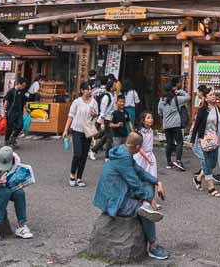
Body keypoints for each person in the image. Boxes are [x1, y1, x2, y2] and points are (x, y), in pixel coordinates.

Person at [93, 132, 169, 261]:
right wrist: (149, 198)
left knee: (148, 185)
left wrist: (158, 182)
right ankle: (153, 246)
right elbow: (134, 181)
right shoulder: (124, 158)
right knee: (145, 211)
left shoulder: (123, 151)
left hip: (119, 192)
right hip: (115, 200)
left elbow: (140, 171)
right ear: (139, 147)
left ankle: (145, 206)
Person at [0, 146, 34, 241]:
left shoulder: (16, 160)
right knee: (5, 193)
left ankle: (21, 225)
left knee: (19, 193)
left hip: (5, 185)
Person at [62, 82, 98, 188]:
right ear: (82, 90)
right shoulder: (77, 102)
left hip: (87, 131)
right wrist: (65, 130)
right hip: (77, 130)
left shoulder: (94, 102)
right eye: (87, 89)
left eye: (90, 89)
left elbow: (95, 116)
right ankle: (72, 174)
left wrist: (94, 115)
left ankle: (79, 177)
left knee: (84, 155)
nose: (89, 91)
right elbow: (70, 116)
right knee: (78, 153)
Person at [190, 85, 220, 198]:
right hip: (204, 139)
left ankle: (198, 178)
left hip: (215, 139)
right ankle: (211, 188)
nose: (214, 96)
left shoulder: (218, 108)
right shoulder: (203, 110)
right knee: (206, 163)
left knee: (212, 163)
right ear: (205, 98)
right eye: (211, 95)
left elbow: (219, 124)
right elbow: (197, 125)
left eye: (214, 94)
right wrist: (193, 139)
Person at [157, 83, 190, 171]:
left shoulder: (161, 100)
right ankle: (178, 161)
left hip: (166, 125)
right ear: (172, 90)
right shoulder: (176, 99)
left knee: (169, 143)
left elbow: (159, 113)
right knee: (179, 142)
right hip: (176, 124)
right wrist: (180, 91)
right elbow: (188, 97)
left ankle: (169, 162)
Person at [90, 77, 118, 159]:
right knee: (109, 137)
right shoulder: (106, 97)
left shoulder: (114, 96)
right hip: (106, 120)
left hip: (111, 119)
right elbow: (103, 111)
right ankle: (107, 157)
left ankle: (93, 150)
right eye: (114, 84)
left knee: (106, 137)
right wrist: (101, 123)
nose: (116, 85)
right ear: (111, 87)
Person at [3, 78, 28, 147]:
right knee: (9, 127)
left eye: (24, 86)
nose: (23, 87)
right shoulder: (11, 91)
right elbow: (6, 101)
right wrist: (4, 112)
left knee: (20, 125)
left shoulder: (22, 92)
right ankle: (7, 140)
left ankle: (13, 138)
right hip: (11, 112)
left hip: (19, 112)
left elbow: (24, 102)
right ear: (18, 84)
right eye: (23, 85)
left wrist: (27, 110)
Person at [134, 111, 158, 179]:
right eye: (148, 118)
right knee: (140, 176)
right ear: (143, 121)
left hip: (150, 155)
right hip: (141, 156)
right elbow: (139, 148)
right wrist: (147, 158)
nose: (151, 119)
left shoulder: (151, 130)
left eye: (151, 118)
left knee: (152, 176)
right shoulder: (140, 132)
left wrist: (149, 157)